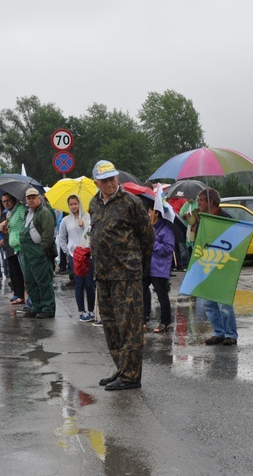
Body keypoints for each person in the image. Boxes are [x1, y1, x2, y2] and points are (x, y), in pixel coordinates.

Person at [88, 160, 154, 391]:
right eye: (104, 180)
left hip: (126, 275)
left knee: (129, 327)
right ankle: (121, 368)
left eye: (112, 179)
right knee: (111, 326)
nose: (109, 183)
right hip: (103, 275)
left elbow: (147, 238)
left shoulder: (131, 203)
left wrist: (138, 267)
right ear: (95, 181)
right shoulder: (94, 204)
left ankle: (131, 376)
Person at [195, 188, 240, 346]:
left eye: (201, 200)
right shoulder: (202, 219)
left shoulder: (226, 219)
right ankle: (218, 332)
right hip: (206, 264)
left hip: (223, 265)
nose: (198, 203)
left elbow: (235, 241)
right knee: (209, 303)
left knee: (224, 304)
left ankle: (230, 334)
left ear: (210, 202)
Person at [20, 188, 57, 319]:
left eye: (33, 197)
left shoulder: (44, 213)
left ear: (39, 198)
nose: (31, 200)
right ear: (26, 200)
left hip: (38, 252)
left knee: (43, 281)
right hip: (27, 253)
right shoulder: (27, 213)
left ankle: (48, 308)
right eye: (28, 198)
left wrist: (42, 251)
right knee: (30, 281)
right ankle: (36, 306)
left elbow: (48, 235)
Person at [58, 194, 95, 322]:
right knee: (79, 284)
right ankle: (81, 311)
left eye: (76, 203)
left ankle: (91, 310)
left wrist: (84, 225)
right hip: (75, 257)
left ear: (80, 204)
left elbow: (92, 233)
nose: (74, 206)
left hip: (87, 254)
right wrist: (68, 252)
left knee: (89, 284)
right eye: (71, 204)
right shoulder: (65, 220)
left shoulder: (88, 217)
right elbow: (61, 238)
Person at [144, 204, 175, 333]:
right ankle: (143, 319)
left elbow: (168, 249)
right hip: (147, 267)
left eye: (149, 211)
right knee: (141, 291)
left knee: (162, 296)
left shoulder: (166, 230)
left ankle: (165, 322)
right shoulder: (148, 229)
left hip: (159, 268)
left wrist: (153, 243)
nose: (147, 214)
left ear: (156, 213)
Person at [0, 193, 26, 306]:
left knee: (21, 272)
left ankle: (23, 296)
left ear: (14, 200)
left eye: (8, 200)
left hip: (19, 246)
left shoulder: (20, 210)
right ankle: (18, 294)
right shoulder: (6, 213)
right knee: (13, 272)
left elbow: (25, 225)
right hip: (10, 247)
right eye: (4, 201)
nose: (6, 203)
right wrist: (0, 227)